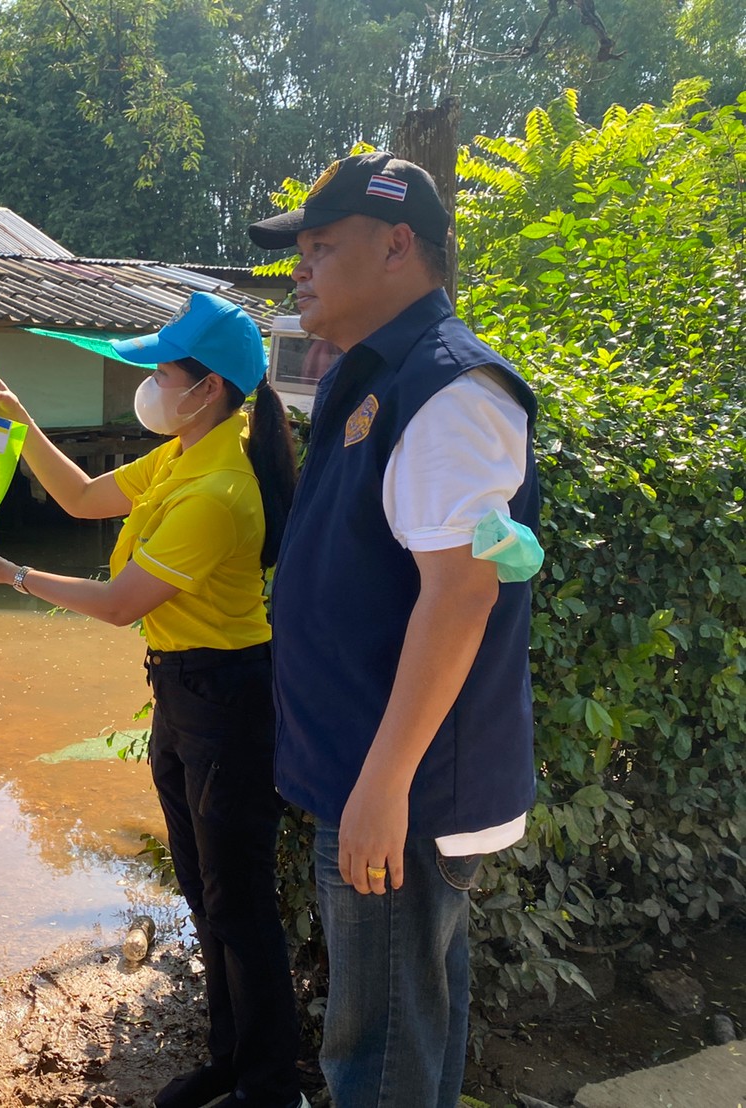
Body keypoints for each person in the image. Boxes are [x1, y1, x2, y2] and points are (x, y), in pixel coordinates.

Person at [0, 292, 308, 1108]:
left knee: (240, 904)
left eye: (161, 369)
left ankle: (269, 1085)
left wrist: (10, 573)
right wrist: (15, 418)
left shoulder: (219, 489)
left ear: (206, 387)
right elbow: (80, 497)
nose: (149, 381)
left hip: (229, 701)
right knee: (203, 890)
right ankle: (228, 1062)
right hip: (183, 694)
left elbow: (120, 603)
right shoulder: (184, 452)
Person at [248, 151, 540, 1106]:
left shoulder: (451, 388)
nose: (303, 268)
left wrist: (383, 783)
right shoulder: (376, 373)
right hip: (377, 768)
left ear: (398, 245)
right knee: (412, 1029)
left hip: (400, 787)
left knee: (376, 1049)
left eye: (322, 247)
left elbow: (459, 595)